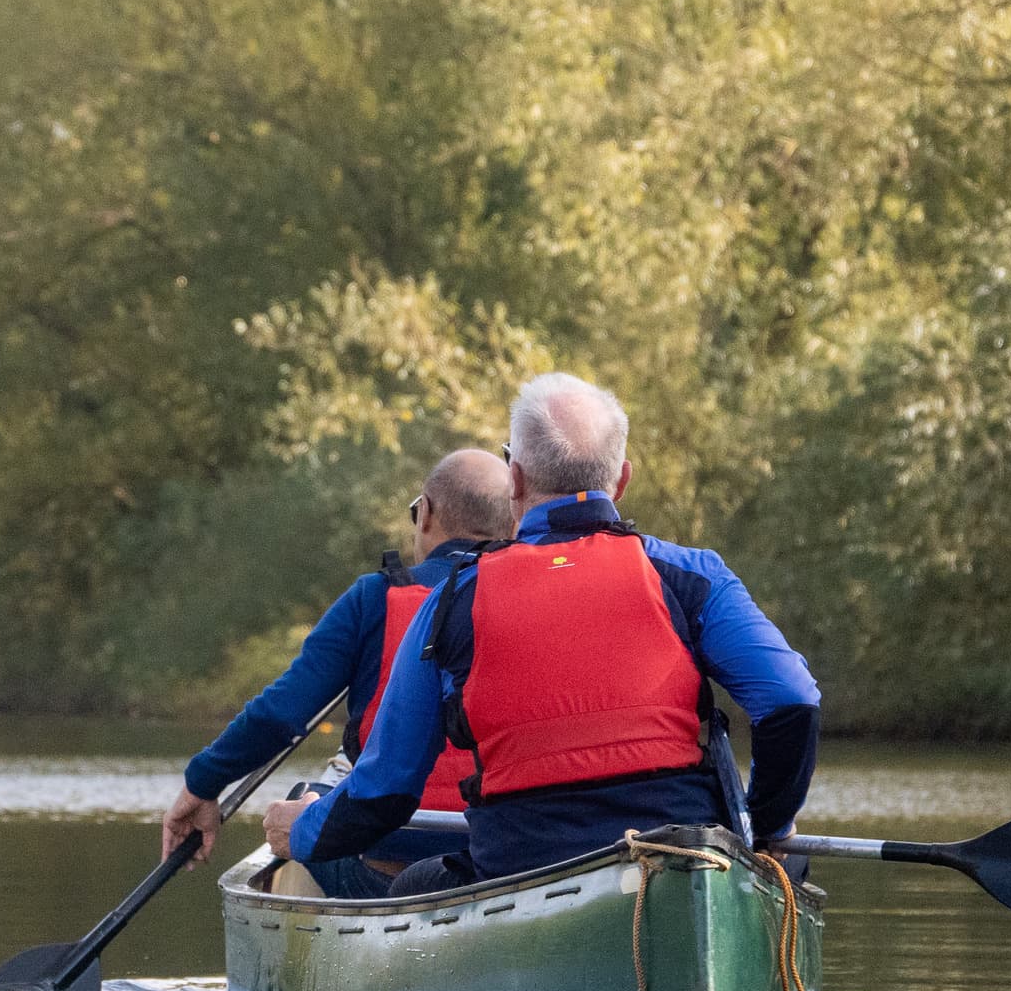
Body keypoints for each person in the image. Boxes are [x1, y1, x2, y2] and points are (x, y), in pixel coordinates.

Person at [262, 372, 820, 897]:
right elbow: (791, 701)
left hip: (517, 867)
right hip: (681, 859)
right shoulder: (689, 575)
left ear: (517, 480)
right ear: (621, 479)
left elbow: (385, 790)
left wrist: (304, 831)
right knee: (786, 864)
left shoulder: (452, 600)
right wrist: (766, 826)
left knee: (411, 888)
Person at [160, 448, 513, 896]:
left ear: (424, 513)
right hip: (498, 862)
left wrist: (202, 783)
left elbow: (281, 714)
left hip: (384, 872)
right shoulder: (532, 598)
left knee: (300, 803)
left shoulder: (374, 599)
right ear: (513, 523)